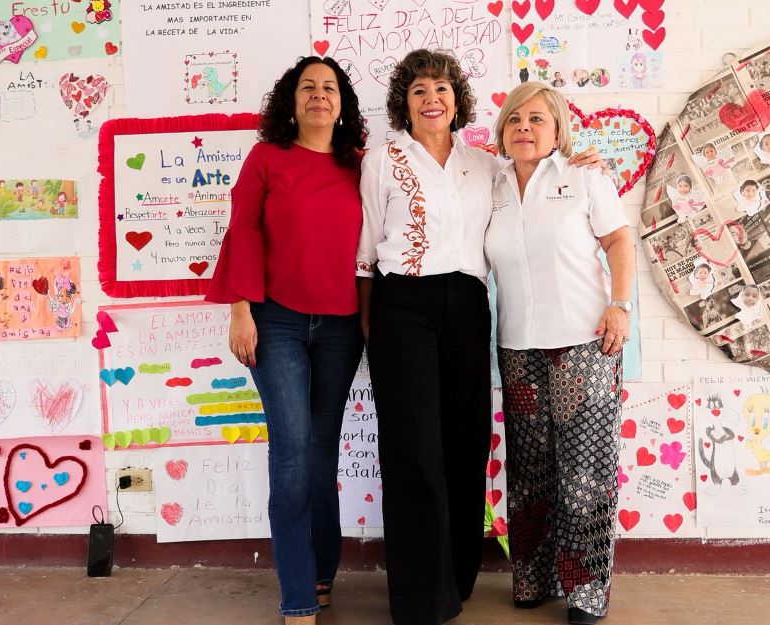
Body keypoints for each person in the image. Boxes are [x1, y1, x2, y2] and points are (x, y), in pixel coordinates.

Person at [355, 50, 603, 625]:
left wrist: (579, 161)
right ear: (405, 102)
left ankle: (458, 577)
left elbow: (537, 180)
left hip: (468, 306)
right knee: (414, 448)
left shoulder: (486, 164)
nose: (432, 99)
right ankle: (421, 598)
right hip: (402, 305)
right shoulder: (382, 160)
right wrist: (370, 323)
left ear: (457, 100)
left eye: (441, 88)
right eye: (419, 90)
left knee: (466, 443)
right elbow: (366, 249)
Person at [205, 56, 367, 625]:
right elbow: (242, 231)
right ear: (291, 101)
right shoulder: (266, 158)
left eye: (330, 88)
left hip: (342, 326)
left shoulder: (360, 165)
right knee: (293, 449)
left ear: (342, 104)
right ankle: (297, 592)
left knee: (323, 450)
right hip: (275, 321)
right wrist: (240, 310)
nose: (319, 95)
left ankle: (322, 572)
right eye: (308, 87)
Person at [485, 82, 635, 625]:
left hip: (584, 342)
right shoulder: (490, 182)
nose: (524, 127)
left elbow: (619, 241)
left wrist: (620, 305)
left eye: (537, 119)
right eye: (515, 118)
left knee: (584, 471)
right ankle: (534, 578)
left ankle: (586, 592)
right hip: (518, 345)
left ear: (557, 130)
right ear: (503, 128)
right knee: (530, 472)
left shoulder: (584, 175)